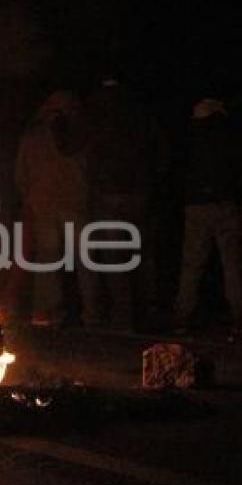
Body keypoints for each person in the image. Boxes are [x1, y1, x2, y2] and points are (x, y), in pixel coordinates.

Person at [86, 75, 168, 330]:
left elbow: (83, 154)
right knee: (142, 256)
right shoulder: (140, 116)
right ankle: (147, 312)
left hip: (110, 197)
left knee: (115, 259)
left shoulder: (97, 118)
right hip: (139, 195)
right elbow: (162, 154)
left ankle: (124, 317)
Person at [15, 90, 100, 327]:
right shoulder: (83, 134)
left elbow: (21, 174)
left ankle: (47, 314)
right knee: (86, 261)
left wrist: (31, 198)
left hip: (44, 207)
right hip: (77, 205)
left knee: (48, 262)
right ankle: (93, 315)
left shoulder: (33, 136)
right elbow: (95, 171)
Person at [173, 97, 242, 333]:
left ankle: (182, 316)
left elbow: (177, 170)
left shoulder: (189, 139)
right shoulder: (229, 137)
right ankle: (238, 316)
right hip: (225, 204)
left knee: (192, 265)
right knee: (232, 265)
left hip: (196, 206)